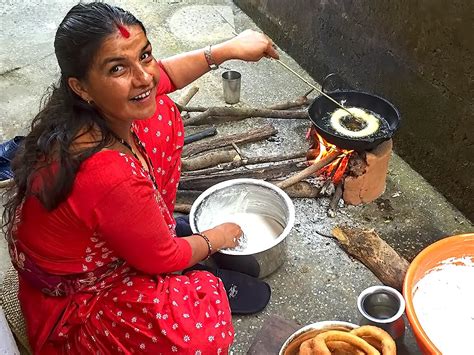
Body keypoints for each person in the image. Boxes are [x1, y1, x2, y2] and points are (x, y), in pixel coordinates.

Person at [2, 2, 279, 354]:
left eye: (144, 56)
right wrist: (217, 237)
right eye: (118, 67)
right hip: (80, 300)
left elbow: (163, 76)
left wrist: (230, 49)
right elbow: (161, 259)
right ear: (81, 86)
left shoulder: (86, 111)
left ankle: (156, 234)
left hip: (110, 229)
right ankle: (185, 267)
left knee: (159, 112)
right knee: (199, 340)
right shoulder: (108, 174)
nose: (144, 76)